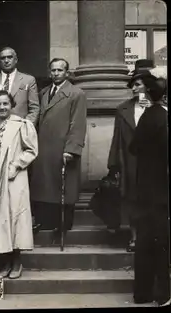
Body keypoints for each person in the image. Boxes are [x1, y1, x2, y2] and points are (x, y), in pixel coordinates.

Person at [30, 58, 87, 243]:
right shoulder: (43, 92)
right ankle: (46, 222)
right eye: (53, 70)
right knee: (45, 186)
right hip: (44, 147)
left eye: (60, 70)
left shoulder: (76, 94)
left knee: (63, 186)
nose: (56, 73)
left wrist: (71, 148)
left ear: (67, 73)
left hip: (63, 148)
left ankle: (63, 226)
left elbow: (77, 124)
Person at [0, 90, 38, 279]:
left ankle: (16, 262)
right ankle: (4, 263)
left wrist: (16, 165)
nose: (2, 107)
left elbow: (31, 150)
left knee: (15, 217)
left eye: (5, 104)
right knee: (0, 220)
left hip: (14, 178)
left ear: (12, 105)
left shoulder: (21, 125)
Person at [128, 70, 169, 306]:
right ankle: (163, 294)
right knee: (161, 242)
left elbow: (134, 148)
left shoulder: (146, 117)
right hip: (161, 189)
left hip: (144, 187)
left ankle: (142, 293)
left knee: (144, 241)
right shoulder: (163, 118)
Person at [107, 59, 155, 252]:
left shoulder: (160, 107)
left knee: (153, 201)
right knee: (132, 201)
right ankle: (134, 238)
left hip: (155, 162)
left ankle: (153, 237)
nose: (134, 88)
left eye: (138, 84)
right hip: (131, 162)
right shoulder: (123, 109)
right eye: (132, 85)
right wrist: (114, 165)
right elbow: (116, 138)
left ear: (148, 85)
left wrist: (150, 108)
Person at [0, 47, 40, 128]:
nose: (6, 61)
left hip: (18, 128)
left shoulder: (28, 80)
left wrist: (26, 127)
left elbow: (34, 108)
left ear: (16, 60)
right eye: (3, 58)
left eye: (10, 57)